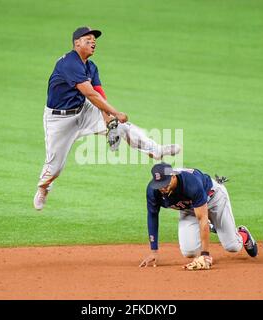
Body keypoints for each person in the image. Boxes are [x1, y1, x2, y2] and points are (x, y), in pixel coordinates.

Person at [34, 27, 180, 210]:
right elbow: (90, 93)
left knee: (124, 127)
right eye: (88, 39)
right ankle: (43, 187)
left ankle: (156, 150)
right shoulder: (69, 63)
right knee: (54, 167)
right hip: (59, 121)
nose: (93, 42)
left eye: (94, 40)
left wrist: (111, 121)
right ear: (76, 42)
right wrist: (116, 113)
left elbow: (99, 96)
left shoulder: (91, 67)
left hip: (83, 111)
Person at [139, 163, 258, 270]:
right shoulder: (153, 191)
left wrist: (205, 255)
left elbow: (202, 219)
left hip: (214, 199)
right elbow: (152, 216)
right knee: (188, 252)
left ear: (173, 176)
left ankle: (243, 234)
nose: (162, 188)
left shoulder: (191, 183)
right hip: (189, 209)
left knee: (232, 246)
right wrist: (153, 251)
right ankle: (213, 226)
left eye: (165, 184)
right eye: (159, 184)